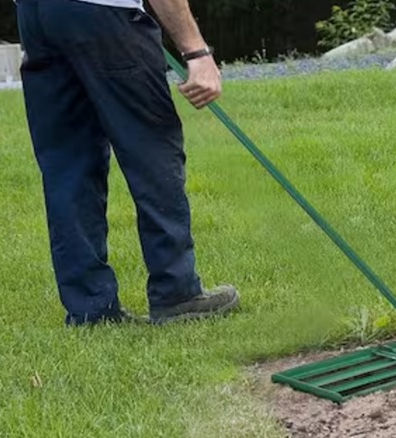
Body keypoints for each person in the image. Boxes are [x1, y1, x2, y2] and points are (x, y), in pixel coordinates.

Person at [15, 0, 240, 326]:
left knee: (69, 163)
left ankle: (91, 309)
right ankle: (176, 293)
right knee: (152, 149)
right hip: (104, 12)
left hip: (37, 16)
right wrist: (196, 52)